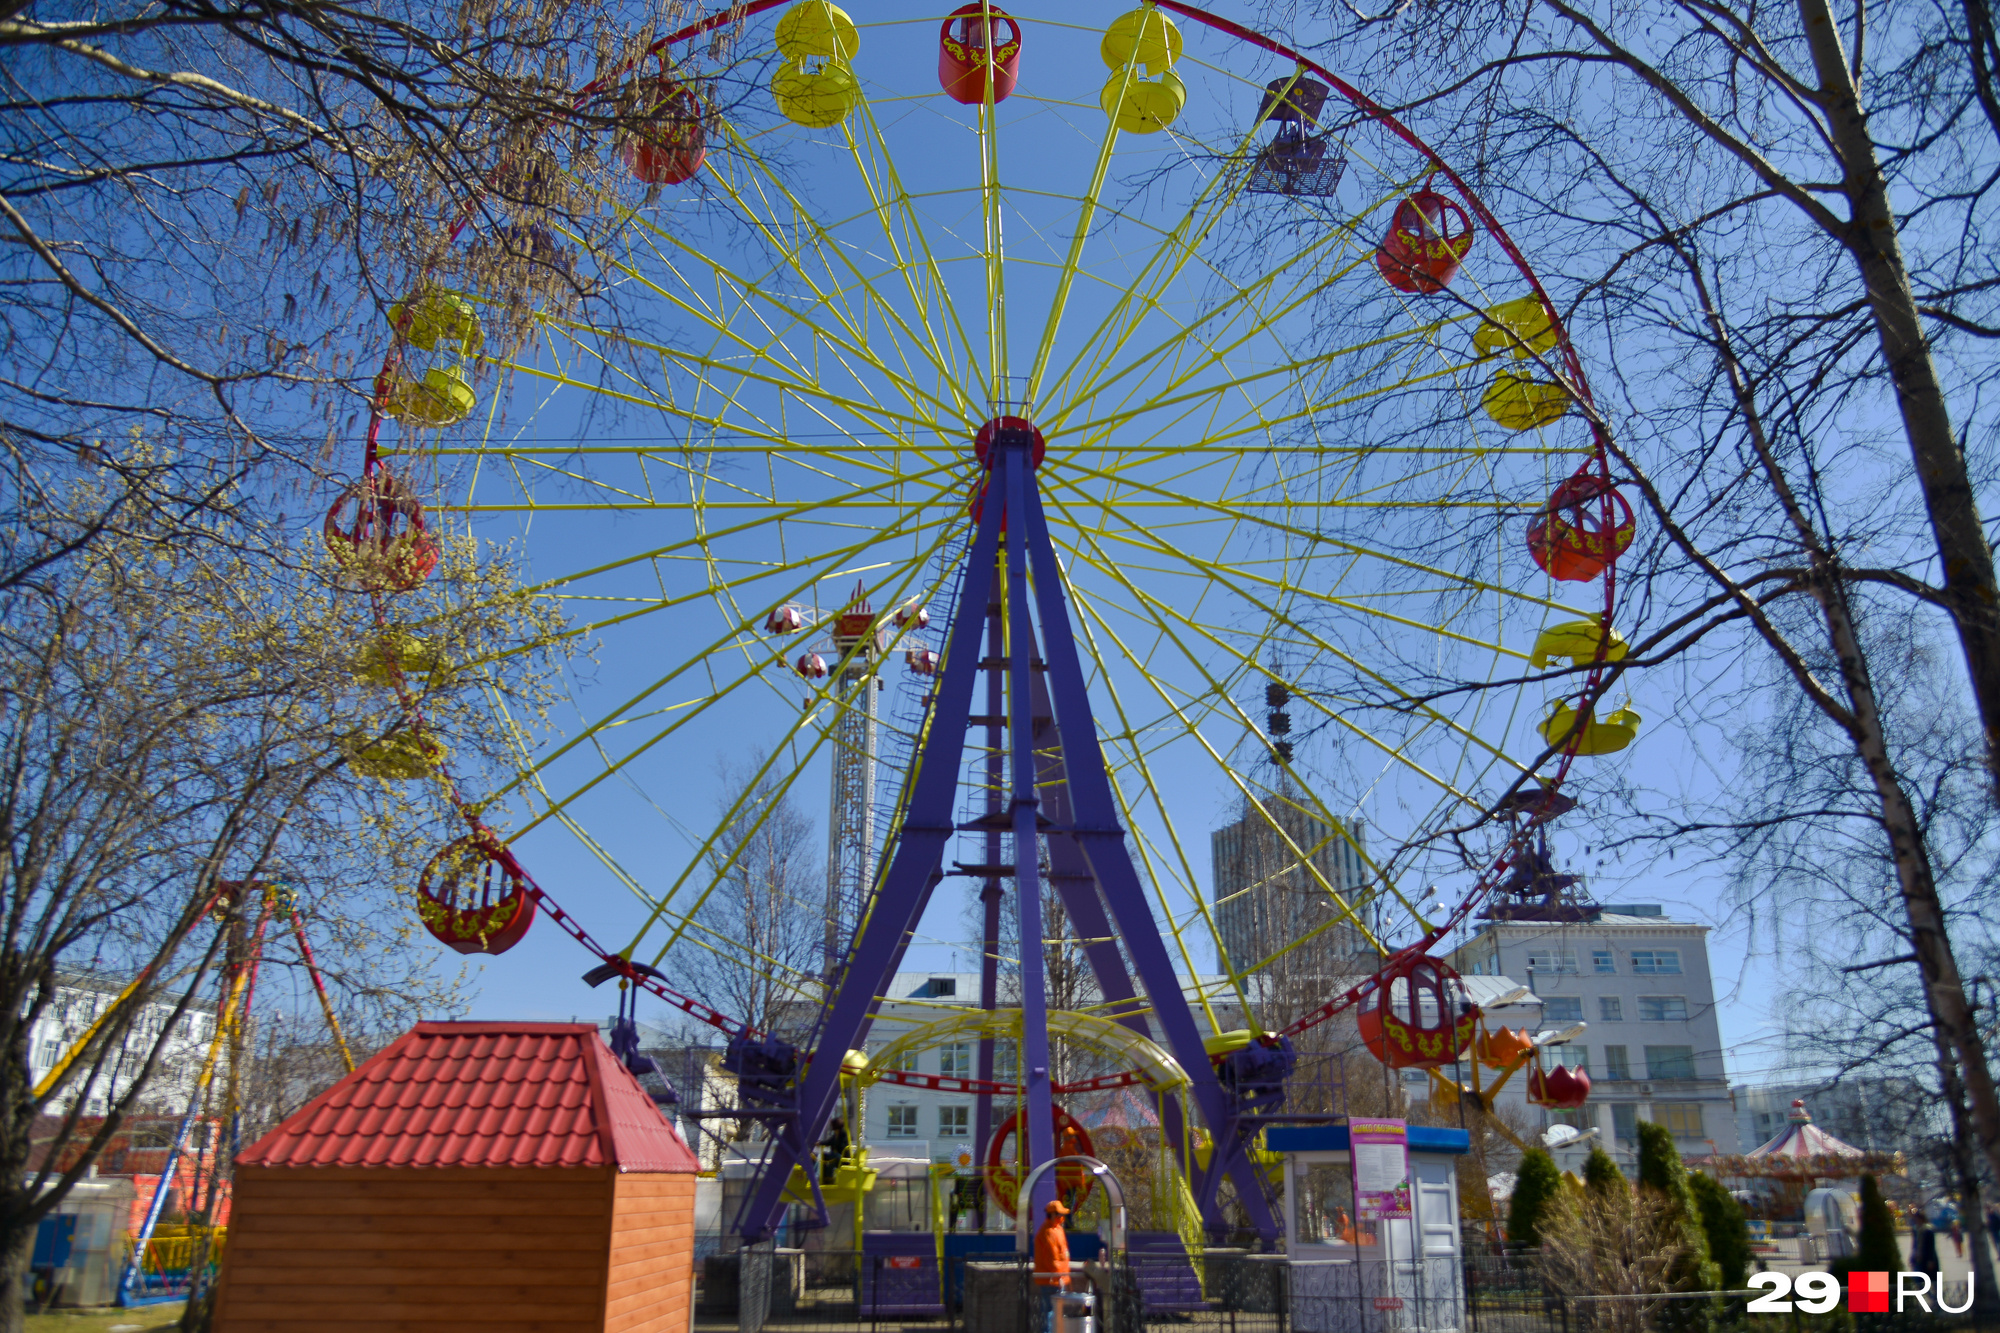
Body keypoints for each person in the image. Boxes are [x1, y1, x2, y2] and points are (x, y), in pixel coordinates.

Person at [1034, 1198, 1072, 1333]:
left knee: (1052, 1313)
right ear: (1053, 1215)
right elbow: (1052, 1259)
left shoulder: (1056, 1230)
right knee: (1050, 1313)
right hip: (1052, 1281)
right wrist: (1061, 1276)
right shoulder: (1049, 1232)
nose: (1062, 1217)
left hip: (1056, 1280)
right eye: (1060, 1214)